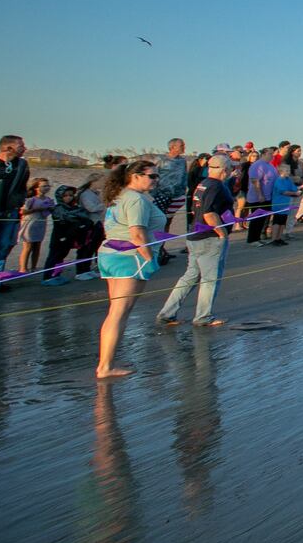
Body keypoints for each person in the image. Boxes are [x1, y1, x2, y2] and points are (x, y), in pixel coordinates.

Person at [96, 159, 167, 378]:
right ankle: (105, 366)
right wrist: (149, 260)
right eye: (152, 176)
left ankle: (105, 363)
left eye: (157, 176)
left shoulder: (121, 195)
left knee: (115, 312)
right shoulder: (135, 199)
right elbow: (137, 233)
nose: (156, 180)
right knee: (119, 313)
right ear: (135, 176)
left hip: (110, 255)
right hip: (128, 258)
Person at [157, 153, 234, 328]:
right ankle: (203, 317)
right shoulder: (215, 186)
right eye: (229, 168)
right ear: (225, 169)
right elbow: (208, 213)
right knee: (210, 279)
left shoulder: (203, 184)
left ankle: (167, 313)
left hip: (196, 237)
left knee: (190, 277)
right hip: (208, 239)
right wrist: (221, 233)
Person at [0, 134, 30, 287]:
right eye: (21, 146)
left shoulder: (22, 165)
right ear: (9, 148)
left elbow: (22, 188)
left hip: (9, 213)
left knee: (4, 245)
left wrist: (17, 204)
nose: (24, 149)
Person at [152, 138, 190, 263]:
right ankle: (156, 250)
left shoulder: (182, 161)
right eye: (181, 145)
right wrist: (153, 193)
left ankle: (162, 248)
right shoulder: (161, 160)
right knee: (159, 222)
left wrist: (184, 189)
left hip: (177, 195)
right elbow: (153, 176)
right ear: (172, 147)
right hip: (161, 195)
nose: (184, 146)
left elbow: (184, 176)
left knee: (168, 222)